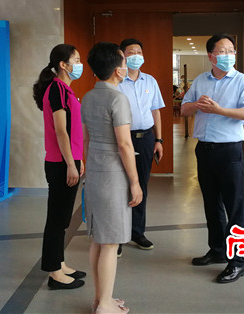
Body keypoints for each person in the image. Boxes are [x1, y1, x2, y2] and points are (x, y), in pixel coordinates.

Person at [181, 33, 244, 284]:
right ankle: (217, 250)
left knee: (235, 208)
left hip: (229, 150)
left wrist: (218, 110)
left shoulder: (242, 81)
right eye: (222, 51)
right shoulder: (201, 80)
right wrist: (196, 105)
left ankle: (238, 262)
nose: (228, 55)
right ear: (210, 56)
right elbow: (184, 107)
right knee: (211, 204)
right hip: (204, 149)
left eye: (231, 50)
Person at [81, 42, 143, 314]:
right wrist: (135, 182)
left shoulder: (88, 97)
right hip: (113, 175)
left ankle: (100, 298)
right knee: (110, 242)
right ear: (118, 70)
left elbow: (86, 139)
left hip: (95, 171)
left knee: (99, 239)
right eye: (124, 61)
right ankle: (105, 304)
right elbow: (125, 145)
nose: (128, 64)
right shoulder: (118, 99)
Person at [32, 44, 86, 290]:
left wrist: (78, 159)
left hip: (69, 160)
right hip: (61, 163)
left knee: (63, 218)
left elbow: (73, 131)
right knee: (56, 219)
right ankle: (54, 273)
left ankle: (60, 263)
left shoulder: (65, 89)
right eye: (76, 59)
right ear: (63, 65)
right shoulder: (56, 89)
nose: (79, 64)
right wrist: (70, 164)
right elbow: (61, 131)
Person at [117, 38, 165, 256]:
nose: (136, 55)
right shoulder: (117, 81)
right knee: (121, 185)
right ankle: (118, 235)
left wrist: (159, 140)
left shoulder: (150, 81)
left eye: (139, 51)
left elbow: (156, 111)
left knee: (141, 185)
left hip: (146, 138)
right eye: (131, 52)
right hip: (122, 138)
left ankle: (137, 232)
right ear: (122, 56)